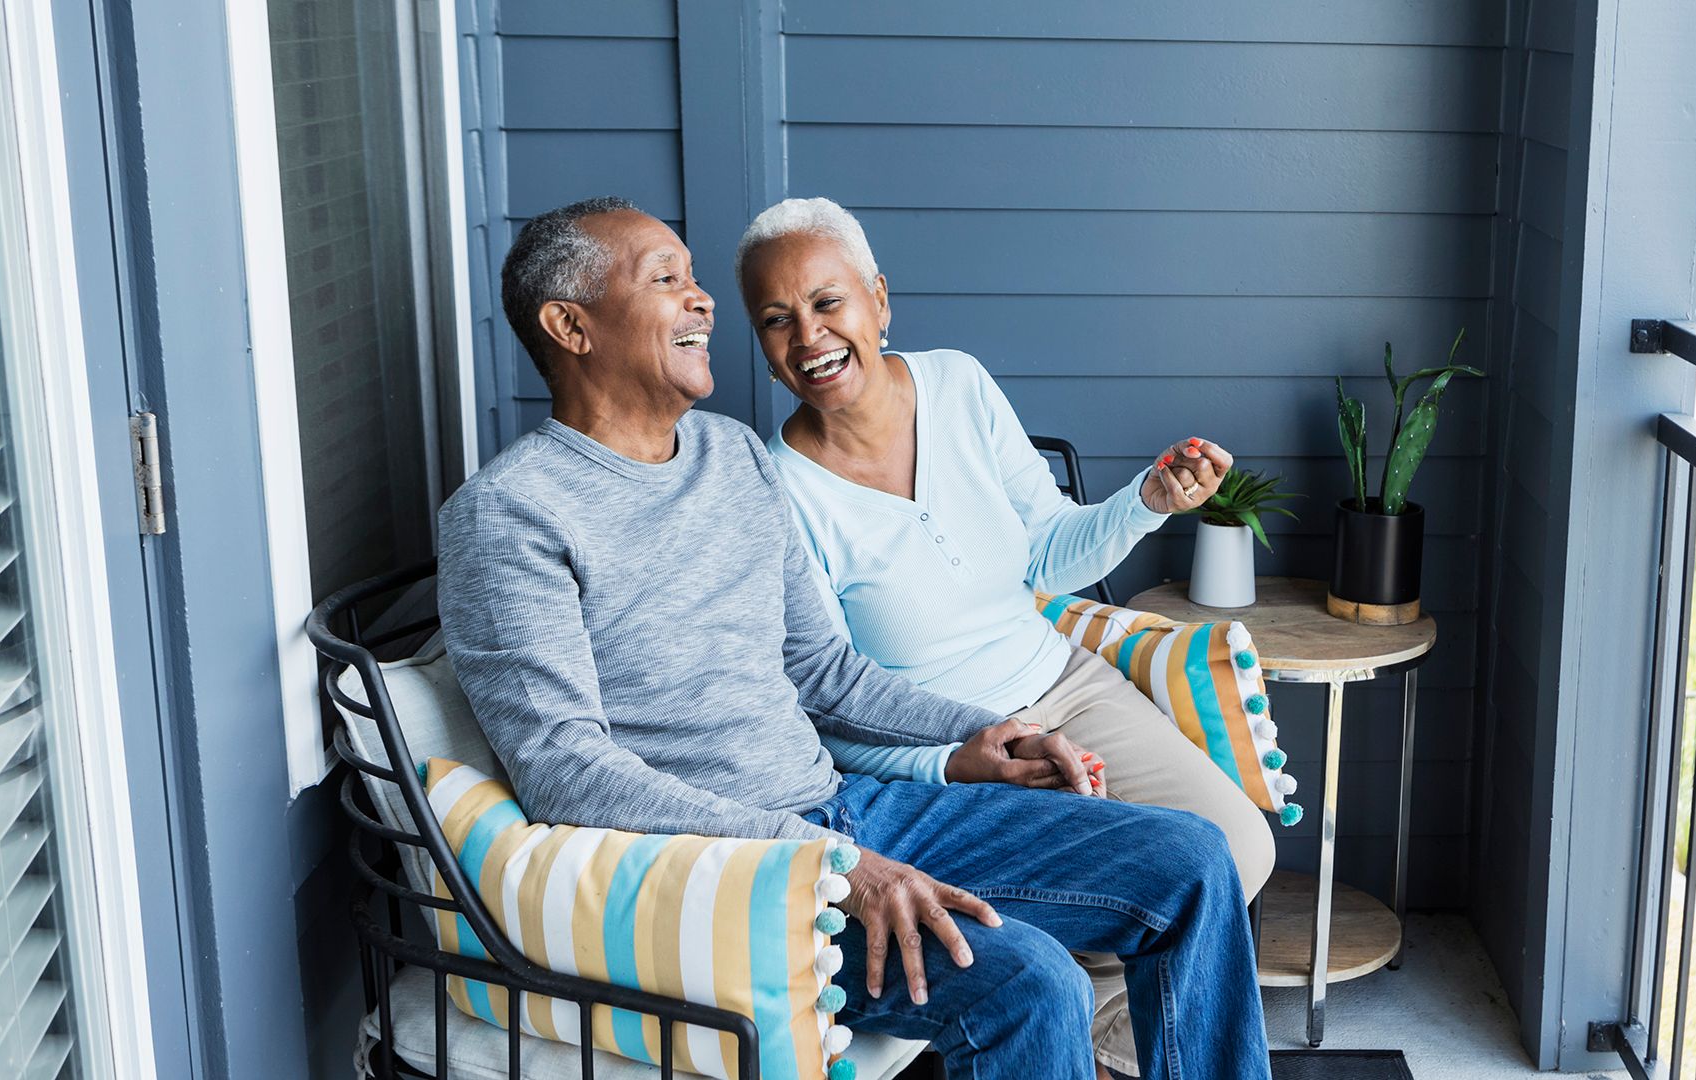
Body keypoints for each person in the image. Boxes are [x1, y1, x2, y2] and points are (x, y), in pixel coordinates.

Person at [436, 196, 1272, 1080]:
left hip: (846, 813)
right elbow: (566, 769)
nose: (703, 300)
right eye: (666, 280)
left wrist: (968, 732)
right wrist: (830, 863)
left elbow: (822, 669)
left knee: (1189, 858)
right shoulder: (510, 516)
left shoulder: (730, 457)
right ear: (571, 325)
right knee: (1032, 981)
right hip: (737, 880)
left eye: (694, 278)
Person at [736, 196, 1280, 1078]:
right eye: (776, 318)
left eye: (828, 302)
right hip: (946, 748)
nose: (809, 337)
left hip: (1063, 679)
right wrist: (955, 756)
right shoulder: (775, 488)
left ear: (878, 298)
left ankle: (1104, 1038)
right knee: (1072, 934)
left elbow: (1049, 556)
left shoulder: (956, 383)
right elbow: (824, 707)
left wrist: (1146, 501)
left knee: (1239, 848)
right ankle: (1103, 1042)